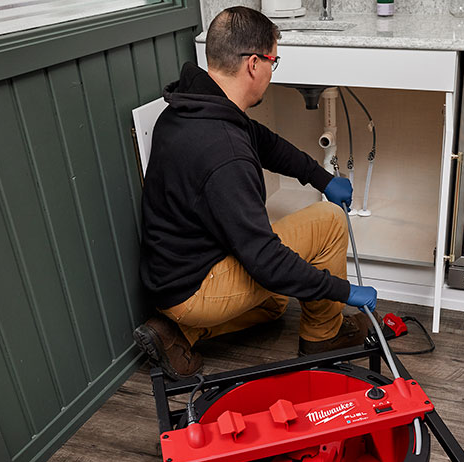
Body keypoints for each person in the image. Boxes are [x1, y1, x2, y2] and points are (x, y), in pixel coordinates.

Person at [133, 6, 379, 379]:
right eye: (273, 61)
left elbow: (264, 142)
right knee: (328, 221)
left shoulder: (191, 108)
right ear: (253, 64)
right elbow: (265, 258)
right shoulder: (224, 151)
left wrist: (321, 178)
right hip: (195, 286)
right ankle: (324, 335)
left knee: (275, 303)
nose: (271, 70)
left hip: (171, 277)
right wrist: (342, 291)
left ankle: (178, 332)